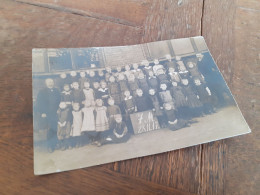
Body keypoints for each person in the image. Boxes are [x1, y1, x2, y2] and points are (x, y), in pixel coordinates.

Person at [36, 78, 61, 152]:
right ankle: (50, 146)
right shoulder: (42, 92)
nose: (50, 83)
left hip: (55, 113)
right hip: (47, 114)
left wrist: (59, 109)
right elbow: (39, 103)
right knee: (49, 130)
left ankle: (55, 144)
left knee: (55, 128)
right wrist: (42, 112)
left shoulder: (56, 90)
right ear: (46, 83)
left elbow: (59, 100)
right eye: (49, 82)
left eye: (52, 82)